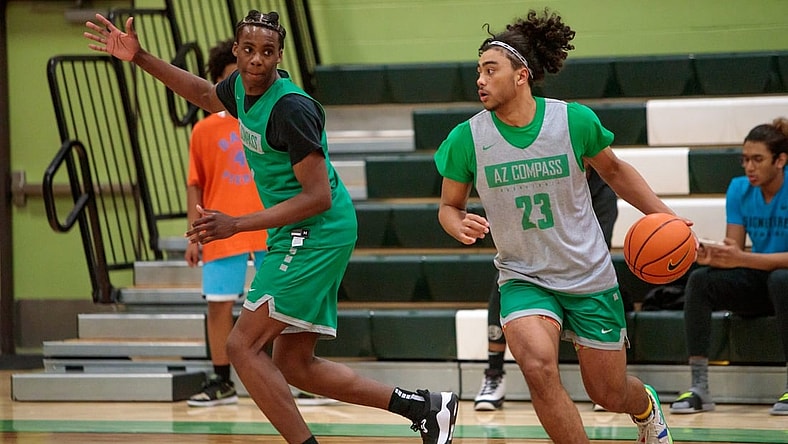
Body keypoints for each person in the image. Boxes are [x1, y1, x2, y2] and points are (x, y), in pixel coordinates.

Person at [84, 10, 458, 444]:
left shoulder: (291, 108)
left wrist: (236, 224)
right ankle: (424, 408)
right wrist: (141, 57)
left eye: (267, 52)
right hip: (298, 229)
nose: (256, 60)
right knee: (295, 366)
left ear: (279, 56)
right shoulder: (240, 90)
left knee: (241, 346)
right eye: (248, 50)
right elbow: (206, 95)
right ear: (237, 52)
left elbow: (317, 196)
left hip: (317, 228)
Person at [434, 8, 678, 443]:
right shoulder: (466, 138)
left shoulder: (572, 121)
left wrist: (665, 217)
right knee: (538, 368)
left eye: (491, 70)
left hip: (588, 274)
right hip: (524, 275)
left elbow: (617, 173)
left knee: (608, 391)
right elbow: (449, 206)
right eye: (479, 71)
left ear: (521, 75)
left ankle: (645, 406)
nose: (481, 80)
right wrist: (456, 224)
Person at [474, 167, 619, 411]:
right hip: (537, 266)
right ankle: (493, 373)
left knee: (611, 291)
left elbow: (601, 243)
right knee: (503, 283)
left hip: (582, 270)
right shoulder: (546, 177)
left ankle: (604, 386)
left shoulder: (603, 193)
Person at [670, 117, 788, 416]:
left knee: (781, 279)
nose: (749, 167)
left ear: (780, 160)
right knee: (701, 280)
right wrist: (715, 256)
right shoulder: (739, 189)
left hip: (781, 281)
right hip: (763, 279)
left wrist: (742, 259)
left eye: (757, 159)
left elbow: (746, 258)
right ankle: (699, 388)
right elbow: (734, 247)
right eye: (745, 159)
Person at [184, 39, 267, 407]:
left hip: (267, 224)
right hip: (219, 226)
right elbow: (195, 184)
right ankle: (221, 380)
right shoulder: (203, 130)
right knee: (218, 304)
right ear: (218, 83)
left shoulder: (271, 114)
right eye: (234, 76)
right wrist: (193, 235)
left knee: (279, 303)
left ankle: (290, 374)